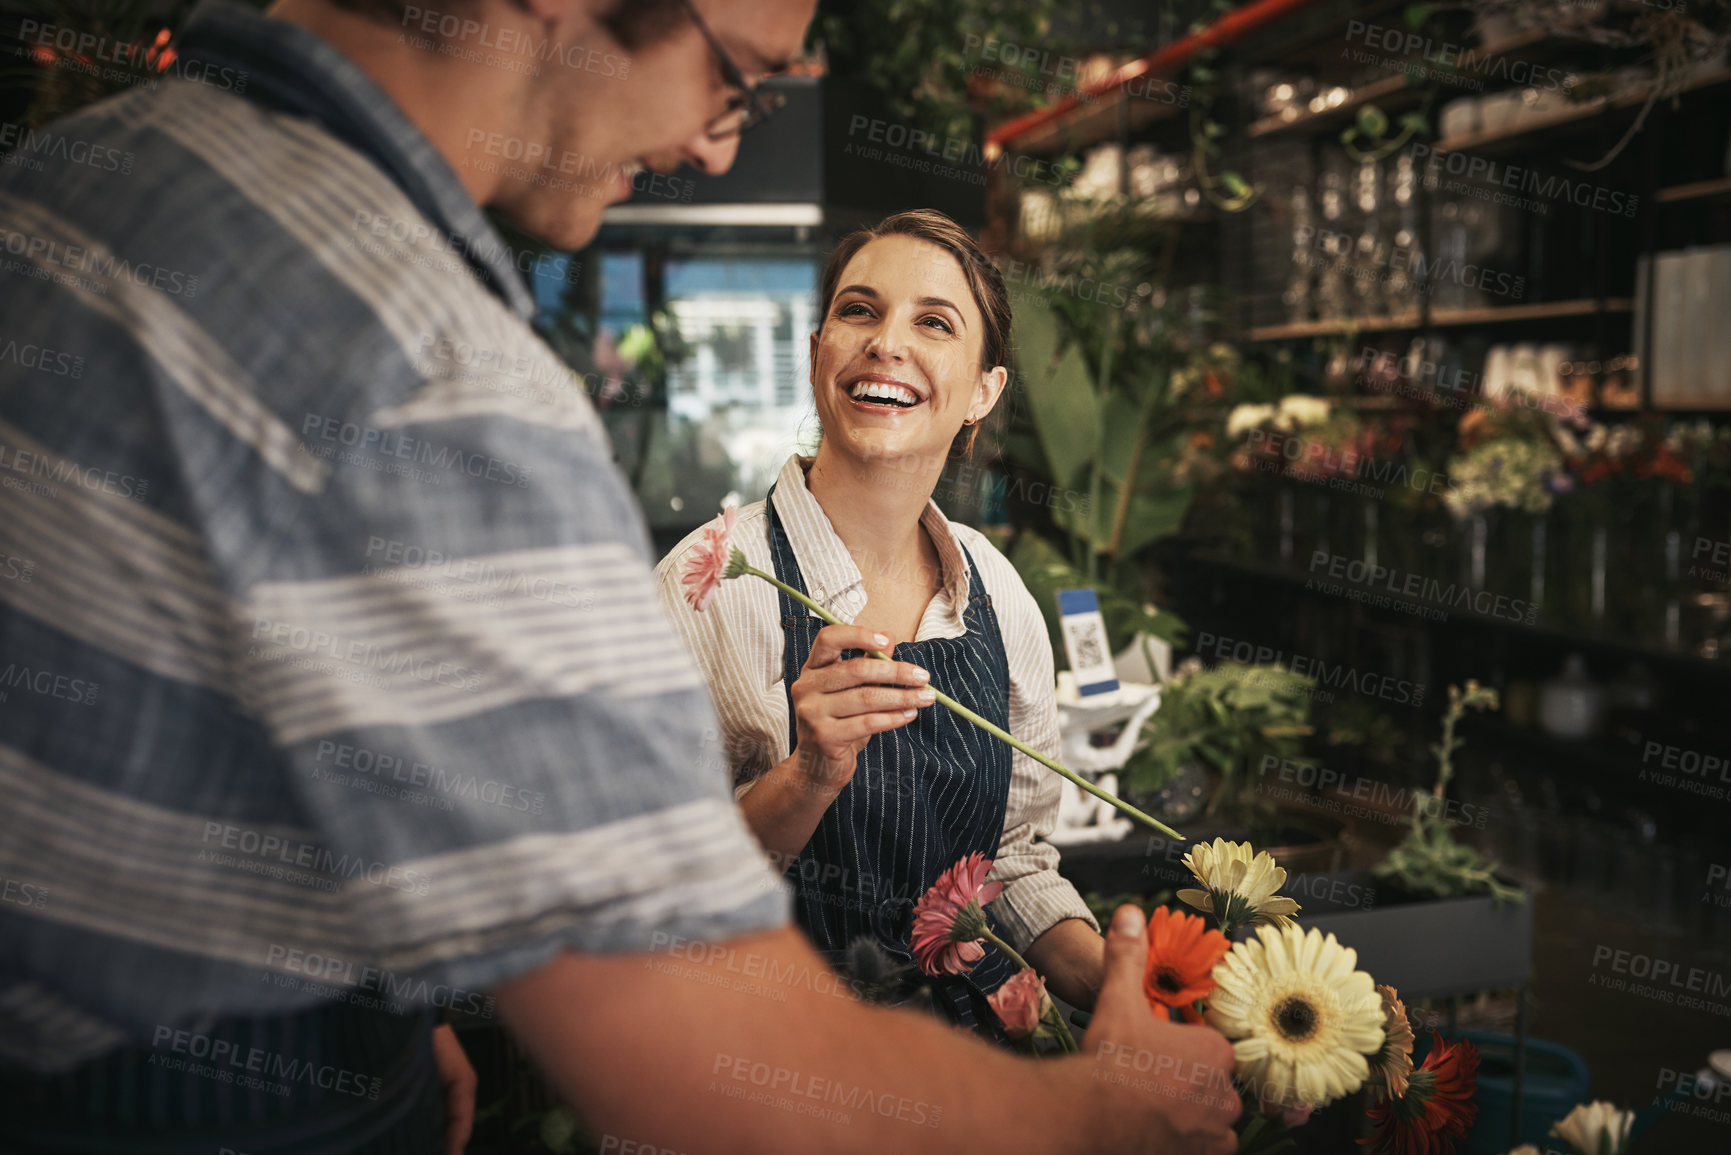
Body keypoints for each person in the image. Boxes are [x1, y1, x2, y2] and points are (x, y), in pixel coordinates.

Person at [0, 0, 1240, 1150]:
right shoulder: (440, 375)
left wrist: (378, 973)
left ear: (984, 397)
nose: (713, 148)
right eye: (735, 80)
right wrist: (1093, 1119)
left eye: (937, 324)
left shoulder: (71, 184)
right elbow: (690, 1036)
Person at [656, 209, 1107, 1037]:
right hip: (774, 1064)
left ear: (983, 391)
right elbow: (658, 883)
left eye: (933, 322)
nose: (885, 342)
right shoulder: (714, 583)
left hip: (976, 1071)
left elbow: (1011, 864)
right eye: (859, 311)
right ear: (820, 346)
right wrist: (808, 775)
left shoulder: (996, 592)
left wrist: (1124, 988)